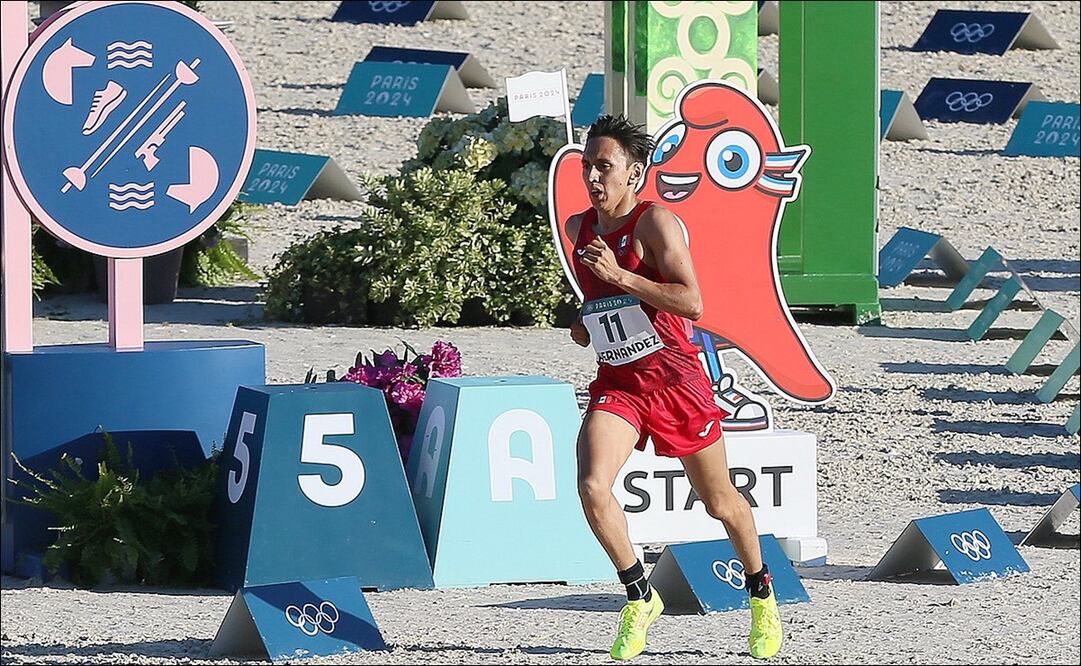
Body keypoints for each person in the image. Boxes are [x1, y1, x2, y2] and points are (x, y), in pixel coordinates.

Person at [566, 115, 783, 661]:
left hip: (674, 381)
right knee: (592, 485)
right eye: (587, 166)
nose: (592, 177)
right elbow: (598, 302)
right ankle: (640, 596)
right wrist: (584, 319)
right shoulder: (577, 228)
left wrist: (622, 277)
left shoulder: (655, 223)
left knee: (721, 502)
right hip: (619, 382)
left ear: (634, 172)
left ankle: (762, 594)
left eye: (604, 167)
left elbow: (692, 303)